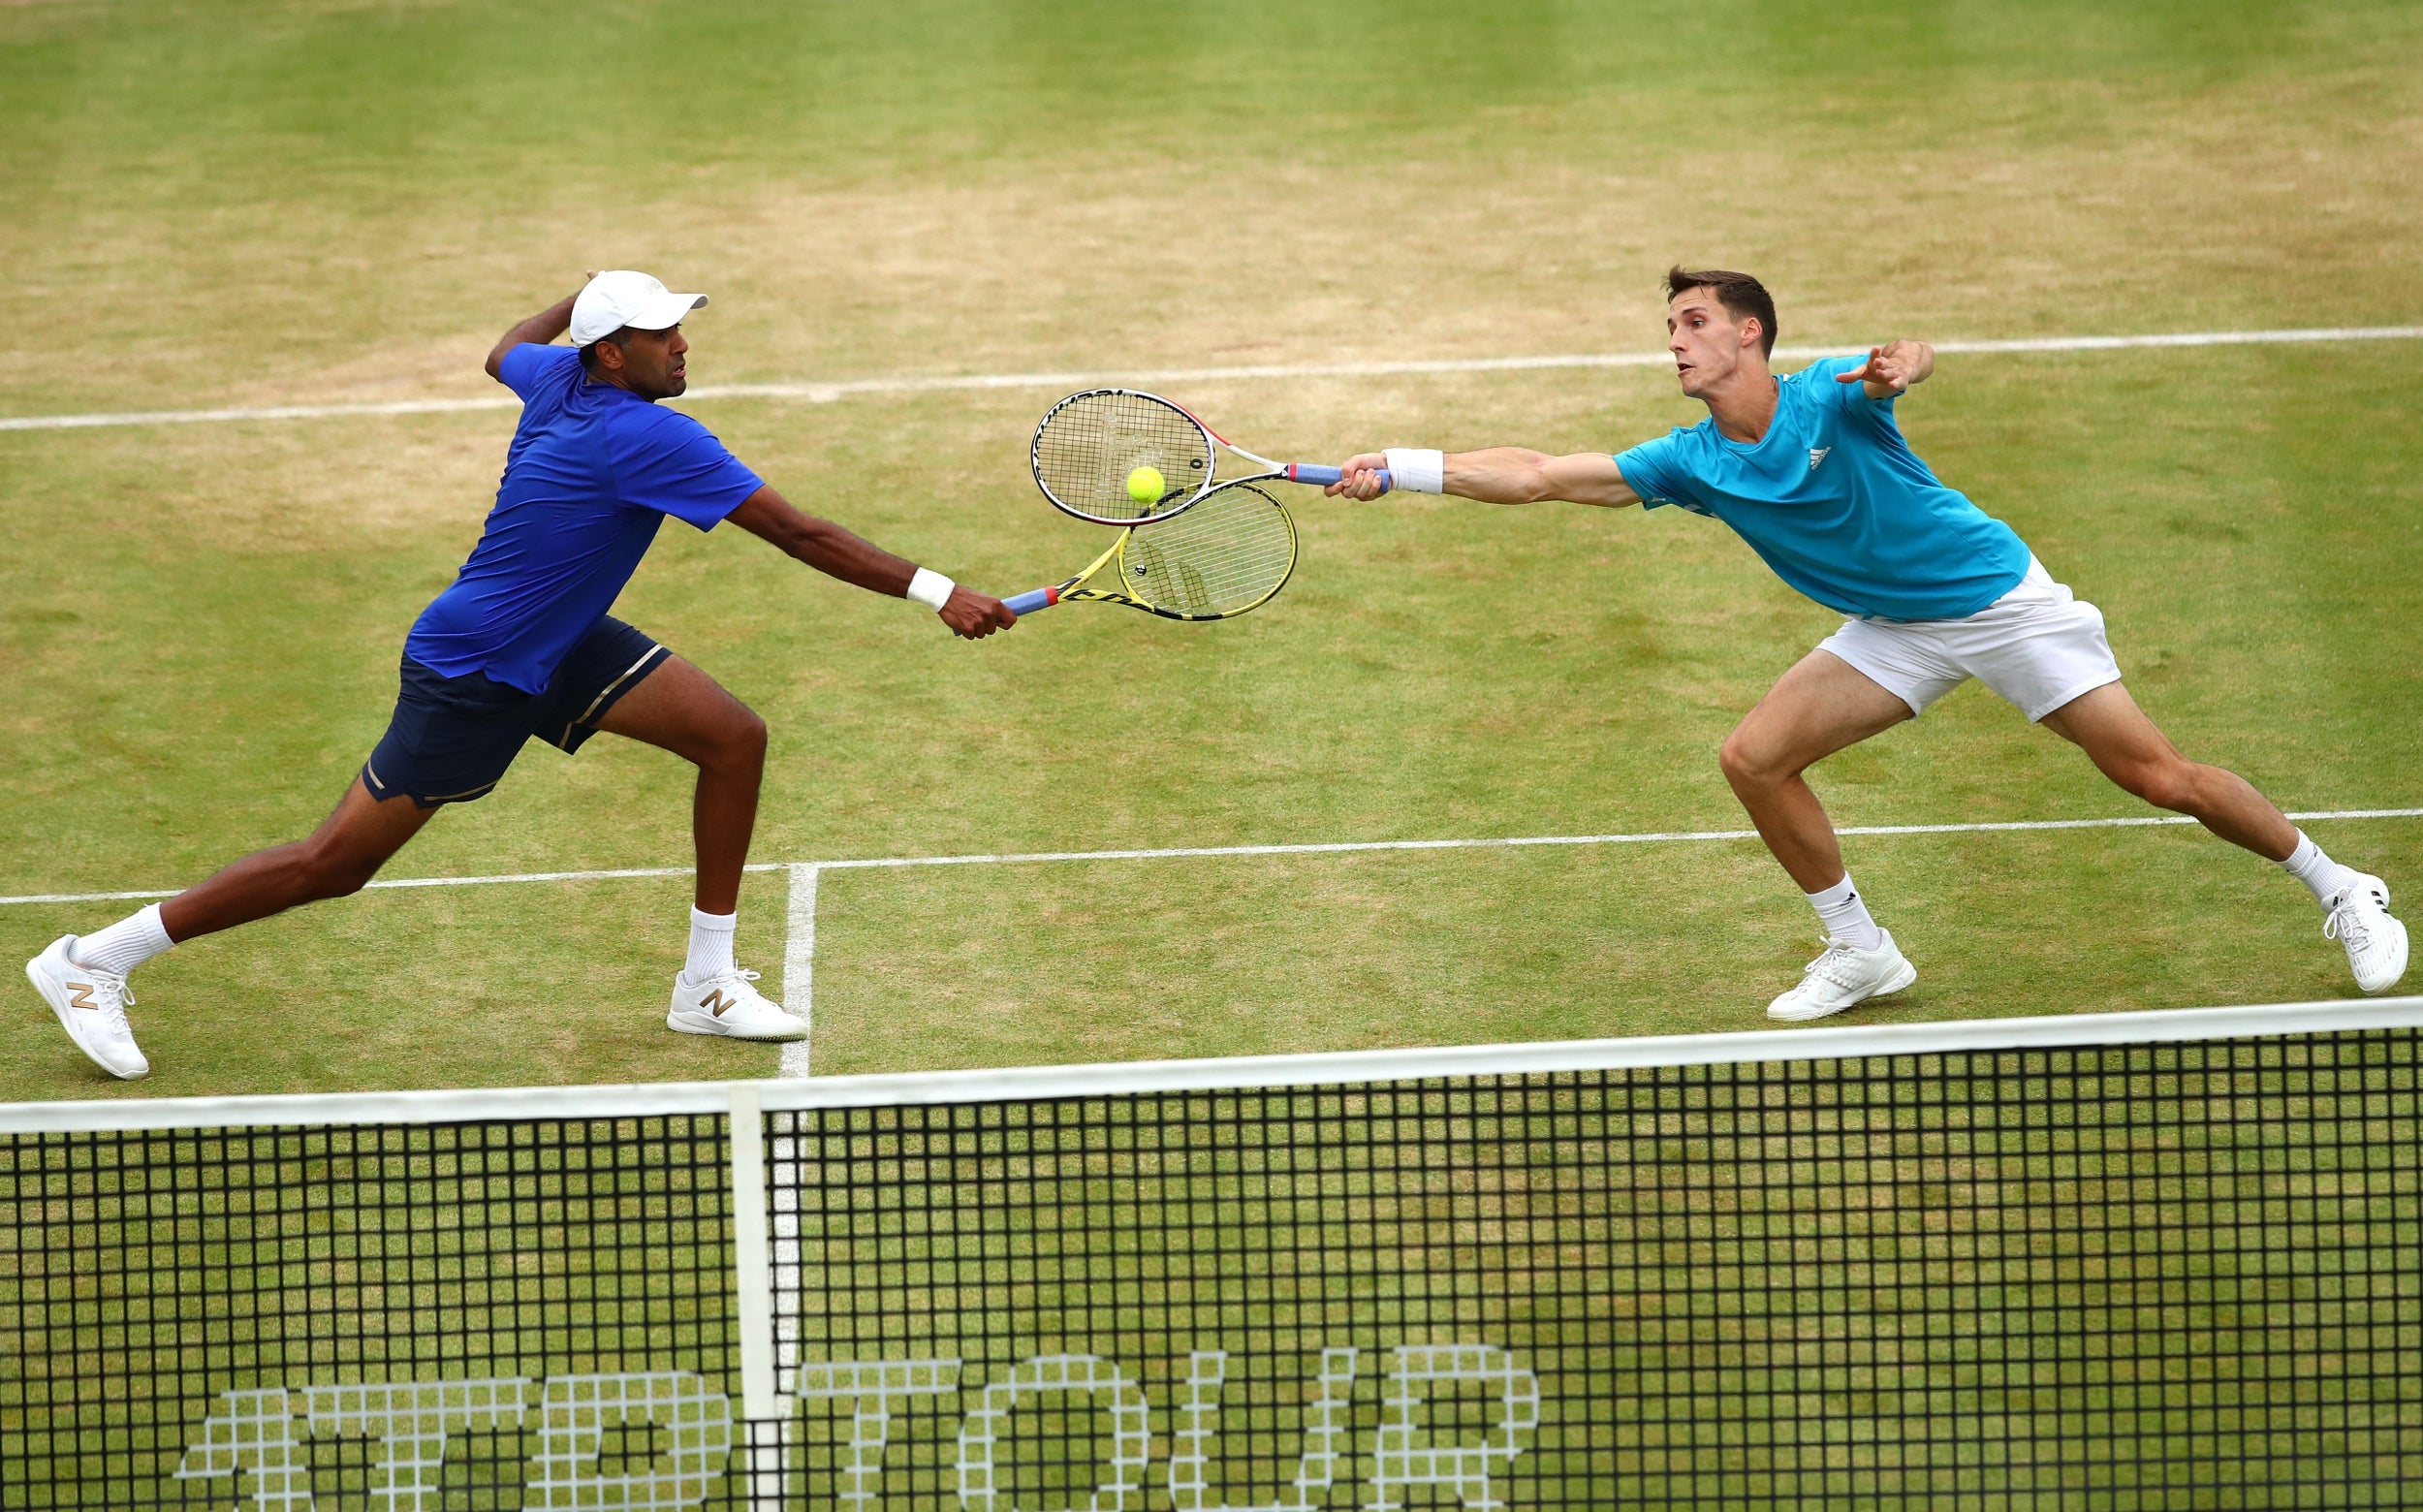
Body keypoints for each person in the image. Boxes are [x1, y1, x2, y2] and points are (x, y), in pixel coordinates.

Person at [1325, 267, 2407, 1020]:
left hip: (1997, 604)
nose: (1673, 342)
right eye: (1668, 329)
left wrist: (1903, 365)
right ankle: (1860, 950)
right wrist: (1404, 465)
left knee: (2154, 775)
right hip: (1894, 630)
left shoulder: (1833, 393)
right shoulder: (1689, 460)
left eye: (1691, 323)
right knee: (1753, 757)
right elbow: (1538, 473)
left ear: (1749, 332)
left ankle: (2337, 884)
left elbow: (1904, 366)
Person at [26, 270, 1018, 1080]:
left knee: (732, 736)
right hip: (481, 667)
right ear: (610, 355)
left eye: (678, 326)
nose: (681, 345)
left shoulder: (554, 378)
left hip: (559, 637)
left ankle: (705, 985)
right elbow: (800, 533)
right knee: (335, 863)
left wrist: (583, 289)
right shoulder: (648, 435)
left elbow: (501, 345)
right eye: (657, 333)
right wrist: (942, 592)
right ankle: (94, 961)